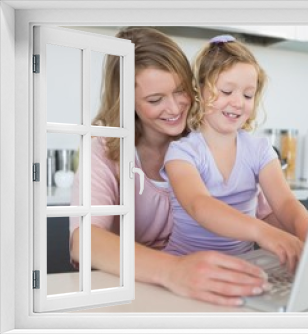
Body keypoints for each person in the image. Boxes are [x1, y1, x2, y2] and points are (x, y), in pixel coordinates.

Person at [69, 27, 284, 307]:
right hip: (135, 288)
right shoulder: (104, 147)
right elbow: (84, 242)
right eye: (155, 100)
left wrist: (305, 239)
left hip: (204, 285)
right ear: (127, 102)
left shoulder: (208, 137)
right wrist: (172, 270)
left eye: (181, 91)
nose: (174, 108)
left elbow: (266, 215)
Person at [163, 35, 308, 272]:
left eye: (247, 95)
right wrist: (262, 231)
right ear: (199, 91)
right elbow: (199, 205)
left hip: (241, 267)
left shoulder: (260, 150)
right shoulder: (182, 153)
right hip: (185, 268)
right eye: (226, 91)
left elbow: (285, 203)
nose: (238, 102)